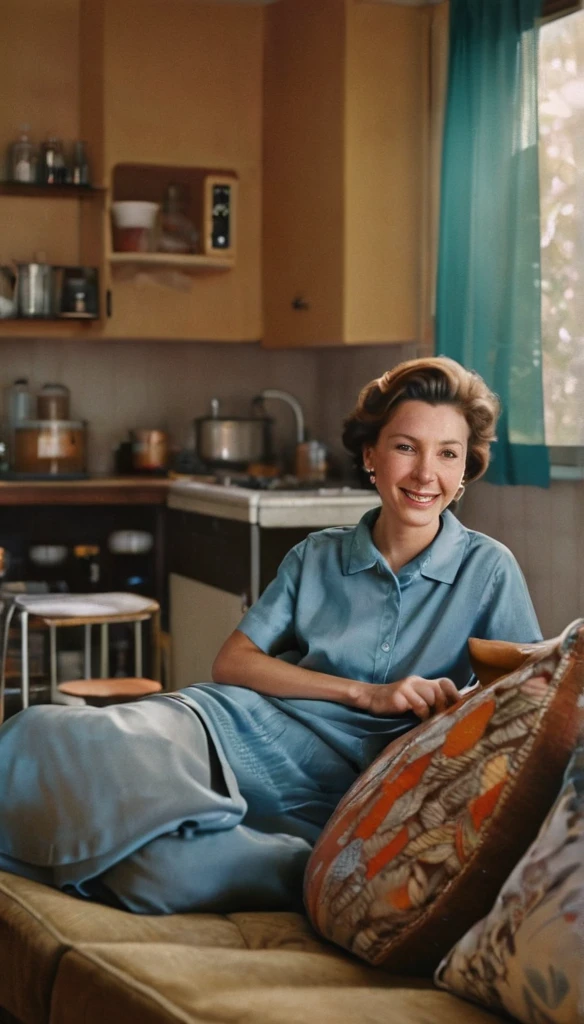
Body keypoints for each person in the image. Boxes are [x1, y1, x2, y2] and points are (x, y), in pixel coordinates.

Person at [0, 356, 542, 915]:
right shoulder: (317, 554)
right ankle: (181, 821)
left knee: (164, 877)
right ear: (370, 457)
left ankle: (300, 866)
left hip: (349, 790)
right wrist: (364, 693)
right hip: (242, 729)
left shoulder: (488, 570)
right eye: (406, 447)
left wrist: (456, 714)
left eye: (448, 453)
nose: (426, 473)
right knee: (37, 734)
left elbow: (527, 705)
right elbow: (233, 662)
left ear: (464, 470)